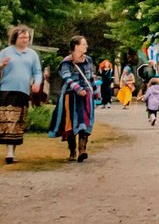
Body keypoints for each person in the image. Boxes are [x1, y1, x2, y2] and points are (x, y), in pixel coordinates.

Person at [0, 25, 45, 164]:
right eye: (22, 37)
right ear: (15, 38)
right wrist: (1, 65)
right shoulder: (5, 52)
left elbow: (37, 71)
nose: (25, 39)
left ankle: (11, 153)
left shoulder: (32, 54)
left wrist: (37, 83)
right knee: (8, 121)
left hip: (23, 91)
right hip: (6, 90)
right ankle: (9, 152)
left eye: (27, 37)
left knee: (18, 122)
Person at [48, 35, 95, 162]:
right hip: (71, 96)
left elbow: (90, 78)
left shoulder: (89, 60)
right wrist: (77, 88)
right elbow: (66, 78)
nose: (86, 46)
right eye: (83, 44)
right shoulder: (66, 62)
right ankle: (72, 150)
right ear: (76, 46)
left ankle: (82, 150)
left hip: (86, 96)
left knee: (85, 122)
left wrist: (95, 91)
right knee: (70, 123)